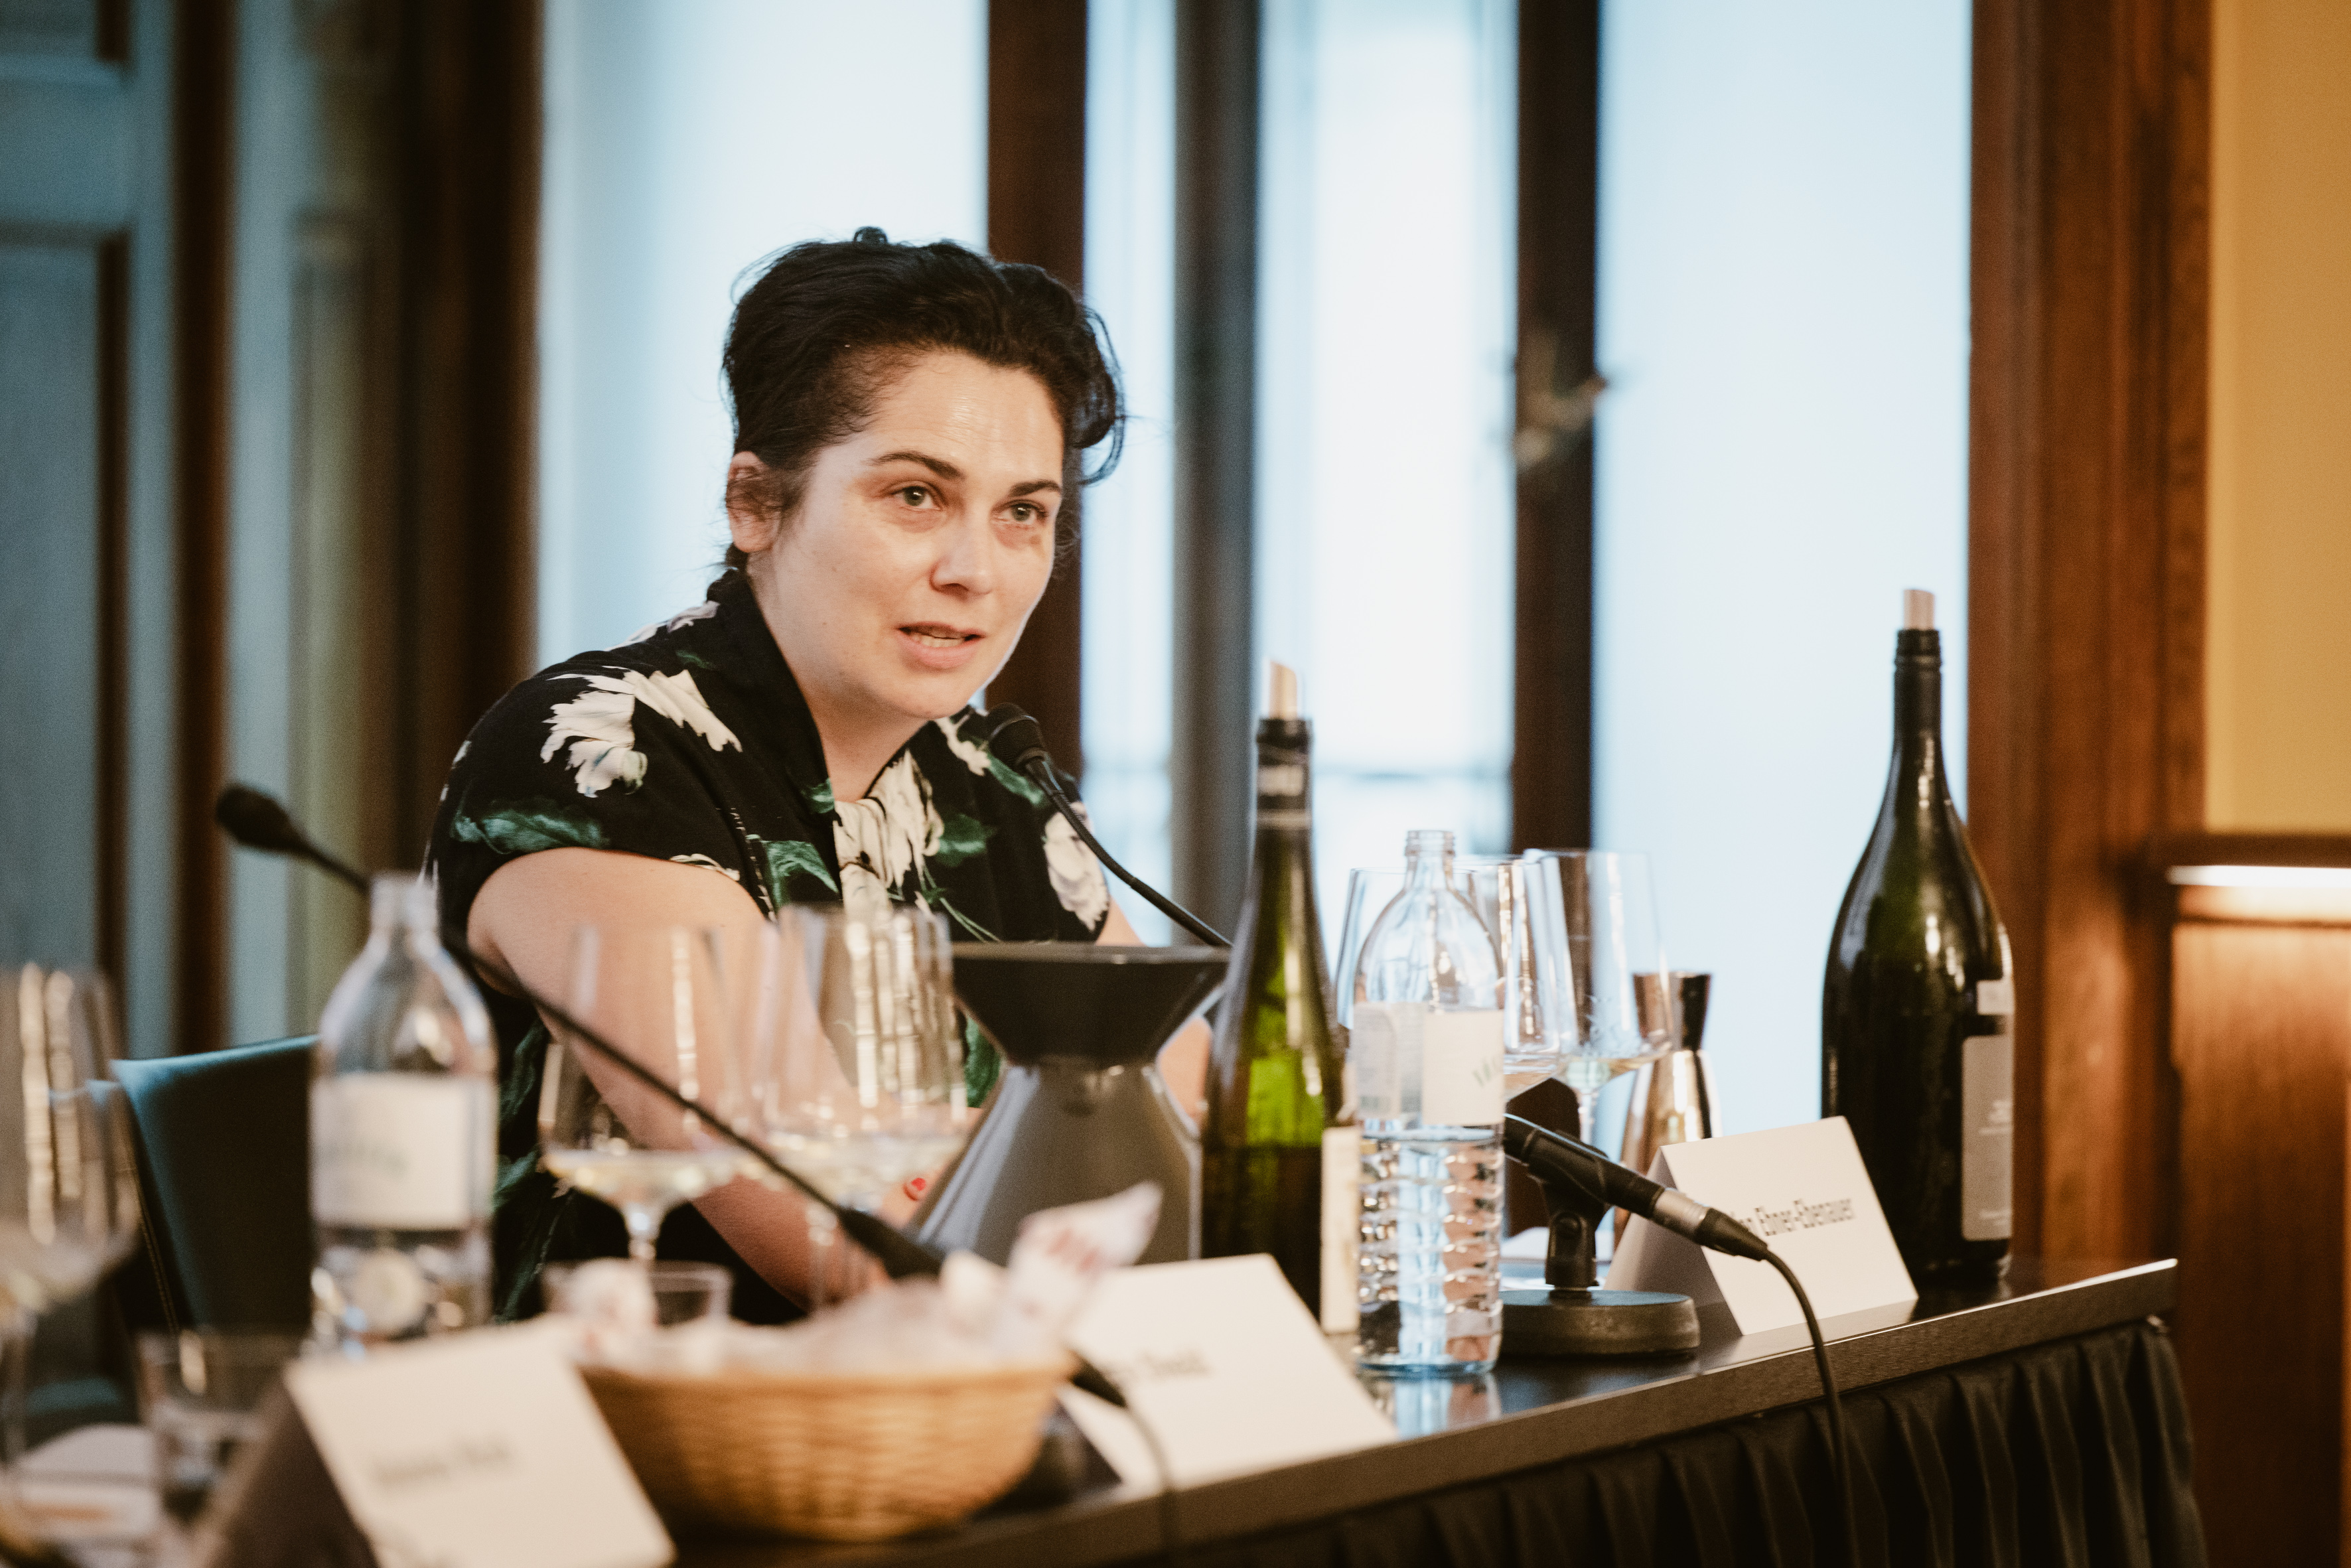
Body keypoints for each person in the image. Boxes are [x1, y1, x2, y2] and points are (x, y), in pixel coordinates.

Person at [427, 230, 1206, 1321]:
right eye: (916, 496)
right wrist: (1079, 1186)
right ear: (755, 504)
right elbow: (843, 1234)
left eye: (1023, 513)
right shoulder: (600, 757)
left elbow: (1196, 1144)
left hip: (983, 1386)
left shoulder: (991, 785)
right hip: (645, 1407)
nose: (975, 571)